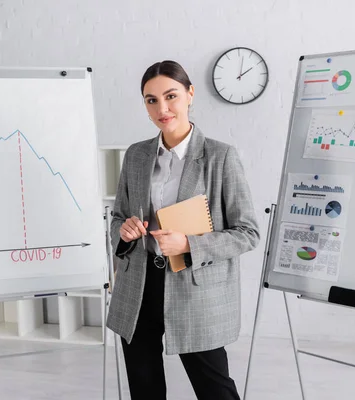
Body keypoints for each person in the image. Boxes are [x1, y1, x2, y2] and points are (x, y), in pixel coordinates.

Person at [106, 60, 260, 400]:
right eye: (151, 100)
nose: (162, 108)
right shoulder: (135, 156)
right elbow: (117, 216)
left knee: (214, 389)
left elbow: (248, 232)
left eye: (171, 96)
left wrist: (189, 244)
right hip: (139, 288)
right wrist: (125, 229)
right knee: (144, 389)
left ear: (190, 94)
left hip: (195, 288)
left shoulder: (220, 156)